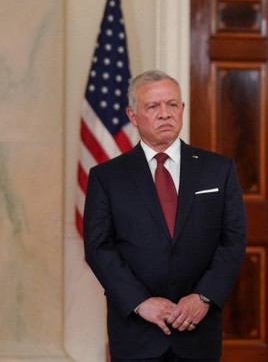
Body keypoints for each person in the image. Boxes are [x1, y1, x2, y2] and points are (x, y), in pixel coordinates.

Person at [83, 70, 247, 362]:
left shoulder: (218, 169)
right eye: (153, 107)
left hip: (198, 327)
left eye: (172, 105)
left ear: (182, 109)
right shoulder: (106, 177)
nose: (165, 114)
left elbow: (232, 240)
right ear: (133, 116)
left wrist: (204, 297)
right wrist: (140, 302)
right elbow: (99, 248)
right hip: (137, 331)